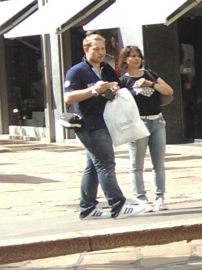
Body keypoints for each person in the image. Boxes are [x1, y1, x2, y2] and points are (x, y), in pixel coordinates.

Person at [62, 33, 148, 219]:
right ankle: (118, 205)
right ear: (86, 49)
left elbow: (115, 83)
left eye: (103, 49)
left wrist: (114, 88)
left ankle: (88, 208)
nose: (101, 53)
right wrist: (93, 90)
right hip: (89, 123)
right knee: (105, 164)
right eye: (96, 49)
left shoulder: (106, 68)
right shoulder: (76, 71)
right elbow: (68, 97)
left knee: (93, 165)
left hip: (106, 120)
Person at [118, 45, 174, 211]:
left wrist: (151, 83)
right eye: (132, 56)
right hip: (138, 123)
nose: (136, 59)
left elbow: (169, 90)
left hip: (157, 121)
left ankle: (159, 197)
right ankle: (141, 198)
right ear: (125, 60)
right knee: (137, 163)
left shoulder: (150, 74)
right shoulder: (123, 81)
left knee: (159, 163)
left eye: (138, 56)